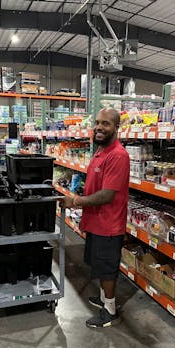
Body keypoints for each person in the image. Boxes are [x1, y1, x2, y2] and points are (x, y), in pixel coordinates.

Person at [62, 108, 130, 328]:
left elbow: (107, 195)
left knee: (107, 269)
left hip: (108, 225)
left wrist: (76, 201)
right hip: (95, 222)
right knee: (100, 266)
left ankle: (110, 311)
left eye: (106, 123)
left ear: (117, 128)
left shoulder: (118, 155)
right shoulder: (100, 151)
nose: (99, 127)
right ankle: (103, 299)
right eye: (98, 123)